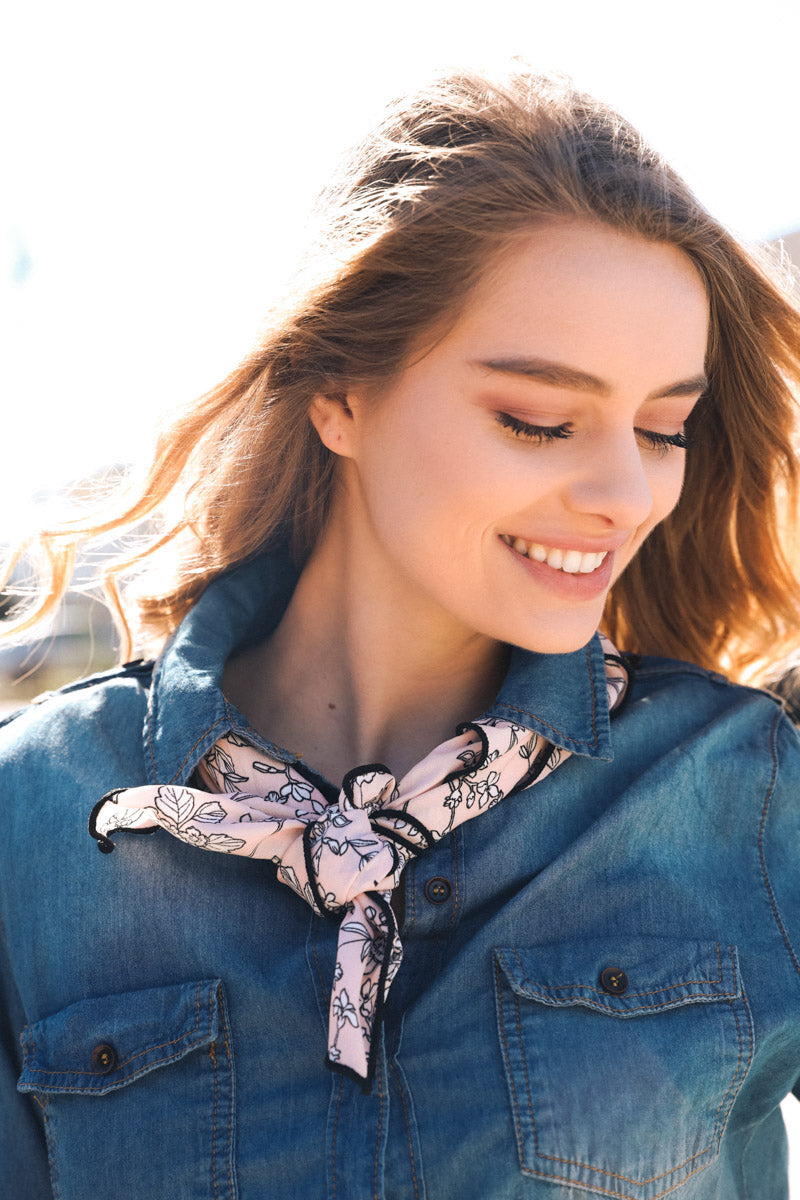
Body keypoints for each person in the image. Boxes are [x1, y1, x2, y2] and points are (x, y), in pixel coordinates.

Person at [1, 66, 799, 1200]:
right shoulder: (31, 817)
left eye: (664, 428)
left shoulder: (747, 789)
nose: (625, 492)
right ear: (340, 393)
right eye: (538, 421)